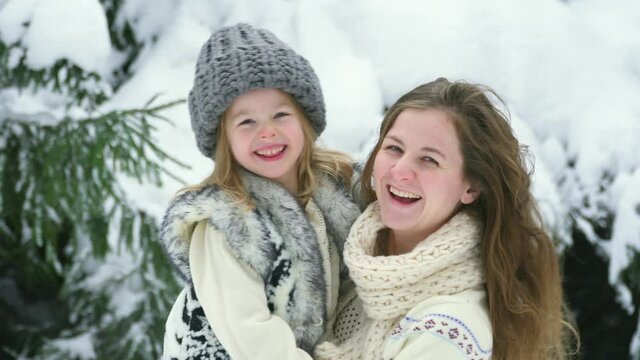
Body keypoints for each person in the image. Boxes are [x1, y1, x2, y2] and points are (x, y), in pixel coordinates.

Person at [315, 78, 576, 360]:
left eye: (429, 160)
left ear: (471, 186)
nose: (400, 170)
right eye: (394, 148)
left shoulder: (448, 331)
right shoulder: (353, 253)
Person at [160, 23, 361, 360]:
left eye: (280, 115)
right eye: (246, 122)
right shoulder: (226, 222)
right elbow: (253, 337)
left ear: (305, 120)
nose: (267, 132)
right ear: (223, 138)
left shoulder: (335, 194)